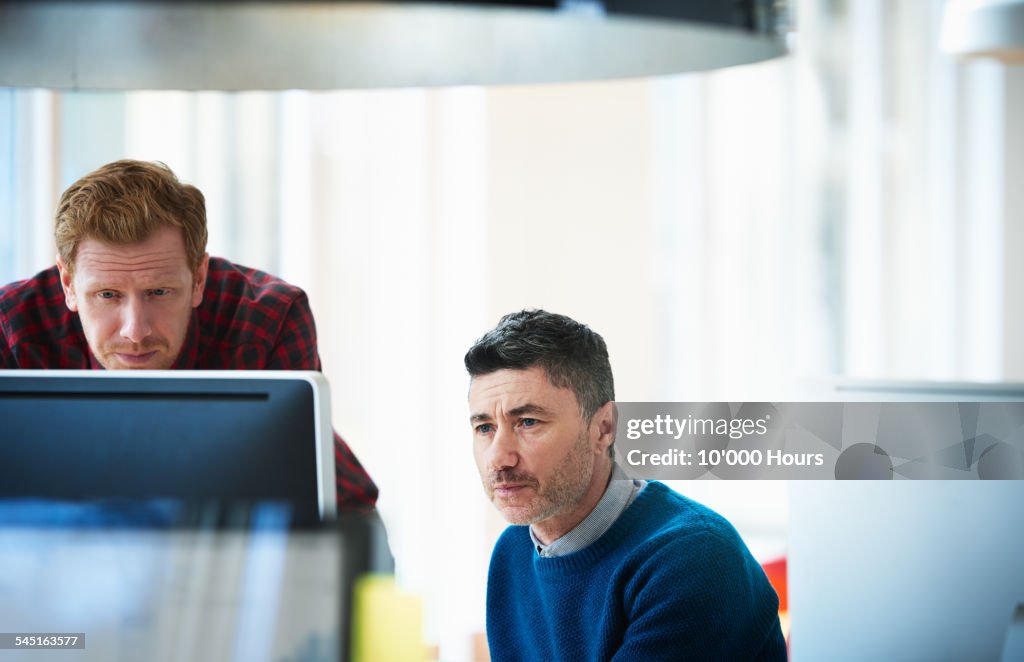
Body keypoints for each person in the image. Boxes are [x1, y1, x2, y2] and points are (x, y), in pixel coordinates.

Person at [0, 159, 377, 511]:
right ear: (68, 284)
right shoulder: (13, 323)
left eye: (159, 293)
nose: (135, 332)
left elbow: (294, 515)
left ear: (198, 280)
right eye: (107, 295)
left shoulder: (267, 318)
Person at [465, 309, 786, 661]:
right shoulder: (514, 552)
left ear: (604, 428)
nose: (499, 458)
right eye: (484, 428)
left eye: (528, 422)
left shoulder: (692, 559)